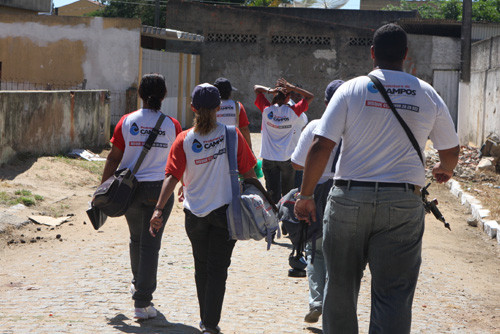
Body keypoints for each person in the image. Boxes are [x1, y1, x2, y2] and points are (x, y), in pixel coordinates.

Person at [294, 24, 460, 333]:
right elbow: (451, 151)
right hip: (402, 204)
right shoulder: (427, 93)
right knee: (394, 294)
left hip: (348, 202)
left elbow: (320, 146)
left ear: (372, 54)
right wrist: (443, 170)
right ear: (406, 55)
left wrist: (304, 196)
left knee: (340, 288)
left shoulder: (350, 89)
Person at [150, 83, 257, 334]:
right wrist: (259, 200)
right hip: (225, 214)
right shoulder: (232, 135)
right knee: (218, 269)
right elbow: (249, 174)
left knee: (201, 267)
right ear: (219, 107)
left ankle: (205, 319)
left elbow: (172, 177)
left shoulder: (184, 139)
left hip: (194, 215)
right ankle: (210, 324)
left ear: (192, 108)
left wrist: (158, 209)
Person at [100, 73, 182, 320]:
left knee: (137, 239)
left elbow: (113, 157)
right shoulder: (173, 125)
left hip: (130, 190)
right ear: (164, 95)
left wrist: (102, 188)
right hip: (159, 192)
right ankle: (142, 302)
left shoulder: (126, 121)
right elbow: (179, 161)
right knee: (151, 244)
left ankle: (139, 286)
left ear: (140, 95)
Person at [290, 79, 344, 324]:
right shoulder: (355, 127)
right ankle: (337, 305)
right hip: (347, 191)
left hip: (316, 191)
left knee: (316, 248)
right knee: (342, 252)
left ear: (324, 102)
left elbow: (296, 162)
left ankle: (317, 301)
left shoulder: (315, 125)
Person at [253, 78, 314, 205]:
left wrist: (271, 90)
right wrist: (293, 87)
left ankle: (273, 221)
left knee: (272, 195)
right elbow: (310, 96)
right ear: (289, 97)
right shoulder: (293, 112)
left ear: (276, 94)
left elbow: (256, 88)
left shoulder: (266, 110)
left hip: (268, 158)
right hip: (286, 159)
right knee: (288, 194)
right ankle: (287, 221)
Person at [213, 77, 253, 150]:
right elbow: (244, 129)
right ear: (229, 92)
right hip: (233, 145)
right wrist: (249, 147)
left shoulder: (211, 106)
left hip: (213, 145)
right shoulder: (237, 106)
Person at [288, 84, 309, 188]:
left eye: (301, 95)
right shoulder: (290, 107)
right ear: (291, 95)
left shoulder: (300, 111)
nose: (300, 97)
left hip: (297, 152)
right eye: (298, 94)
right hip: (290, 154)